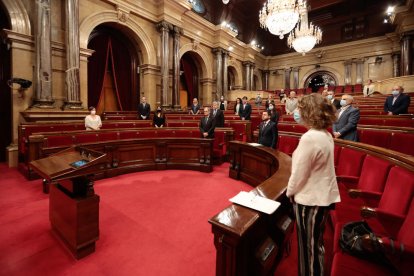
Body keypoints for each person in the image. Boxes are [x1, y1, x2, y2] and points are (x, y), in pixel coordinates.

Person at [286, 93, 340, 276]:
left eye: (300, 109)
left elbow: (299, 173)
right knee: (316, 245)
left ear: (309, 112)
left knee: (309, 250)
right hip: (321, 197)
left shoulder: (310, 137)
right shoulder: (325, 134)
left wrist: (289, 192)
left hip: (310, 200)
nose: (297, 112)